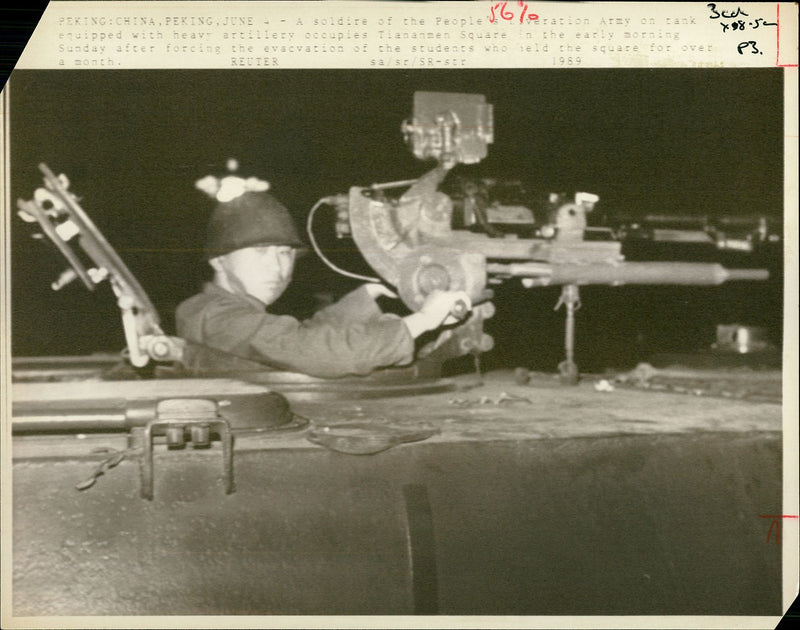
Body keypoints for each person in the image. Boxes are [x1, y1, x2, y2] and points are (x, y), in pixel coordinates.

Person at [176, 172, 471, 378]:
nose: (278, 268)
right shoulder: (214, 317)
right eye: (261, 252)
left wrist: (364, 300)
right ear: (219, 261)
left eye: (285, 253)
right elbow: (309, 350)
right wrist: (421, 321)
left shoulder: (225, 313)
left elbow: (294, 335)